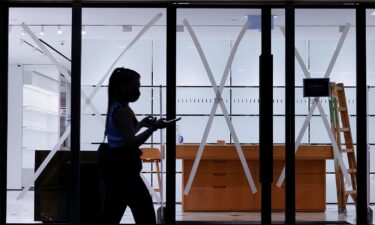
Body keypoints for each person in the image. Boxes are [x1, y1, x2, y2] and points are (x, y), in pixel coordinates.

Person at [98, 67, 170, 224]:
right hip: (126, 173)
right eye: (136, 86)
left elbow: (125, 134)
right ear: (123, 87)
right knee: (145, 214)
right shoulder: (122, 111)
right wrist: (153, 128)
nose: (138, 90)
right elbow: (130, 142)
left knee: (111, 214)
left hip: (117, 172)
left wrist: (142, 124)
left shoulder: (117, 107)